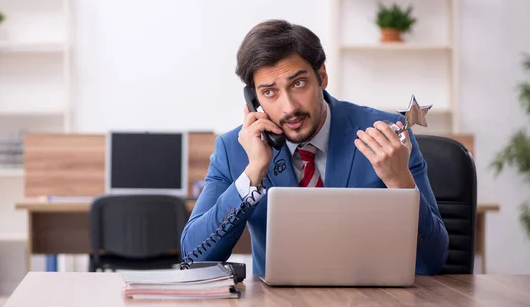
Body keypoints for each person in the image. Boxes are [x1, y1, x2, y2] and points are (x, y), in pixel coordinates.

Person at [180, 19, 449, 276]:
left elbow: (432, 261)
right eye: (269, 92)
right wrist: (252, 175)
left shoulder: (388, 135)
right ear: (254, 100)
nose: (289, 107)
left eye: (298, 84)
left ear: (321, 76)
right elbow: (193, 257)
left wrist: (400, 181)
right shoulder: (234, 149)